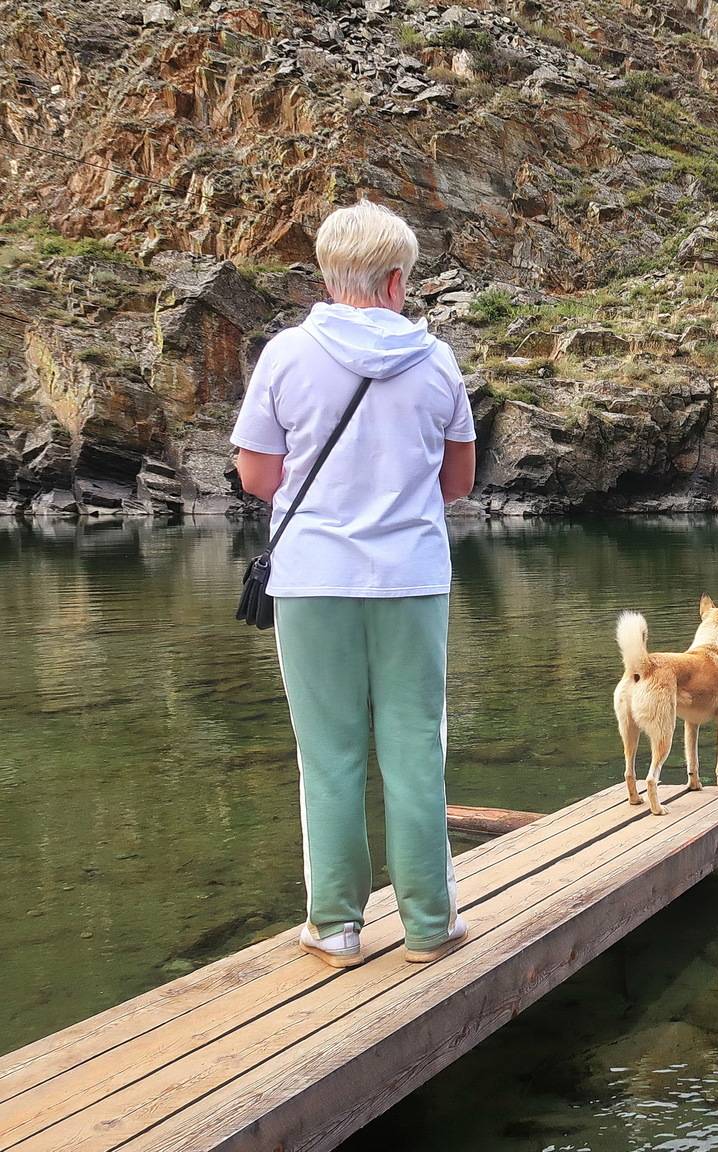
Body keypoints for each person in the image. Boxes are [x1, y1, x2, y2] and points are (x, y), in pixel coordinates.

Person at [232, 199, 477, 968]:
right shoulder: (437, 362)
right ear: (397, 281)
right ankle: (429, 926)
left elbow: (257, 475)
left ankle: (336, 927)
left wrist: (331, 506)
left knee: (329, 754)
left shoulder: (285, 355)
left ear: (328, 275)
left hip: (313, 579)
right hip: (411, 580)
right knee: (415, 751)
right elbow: (459, 482)